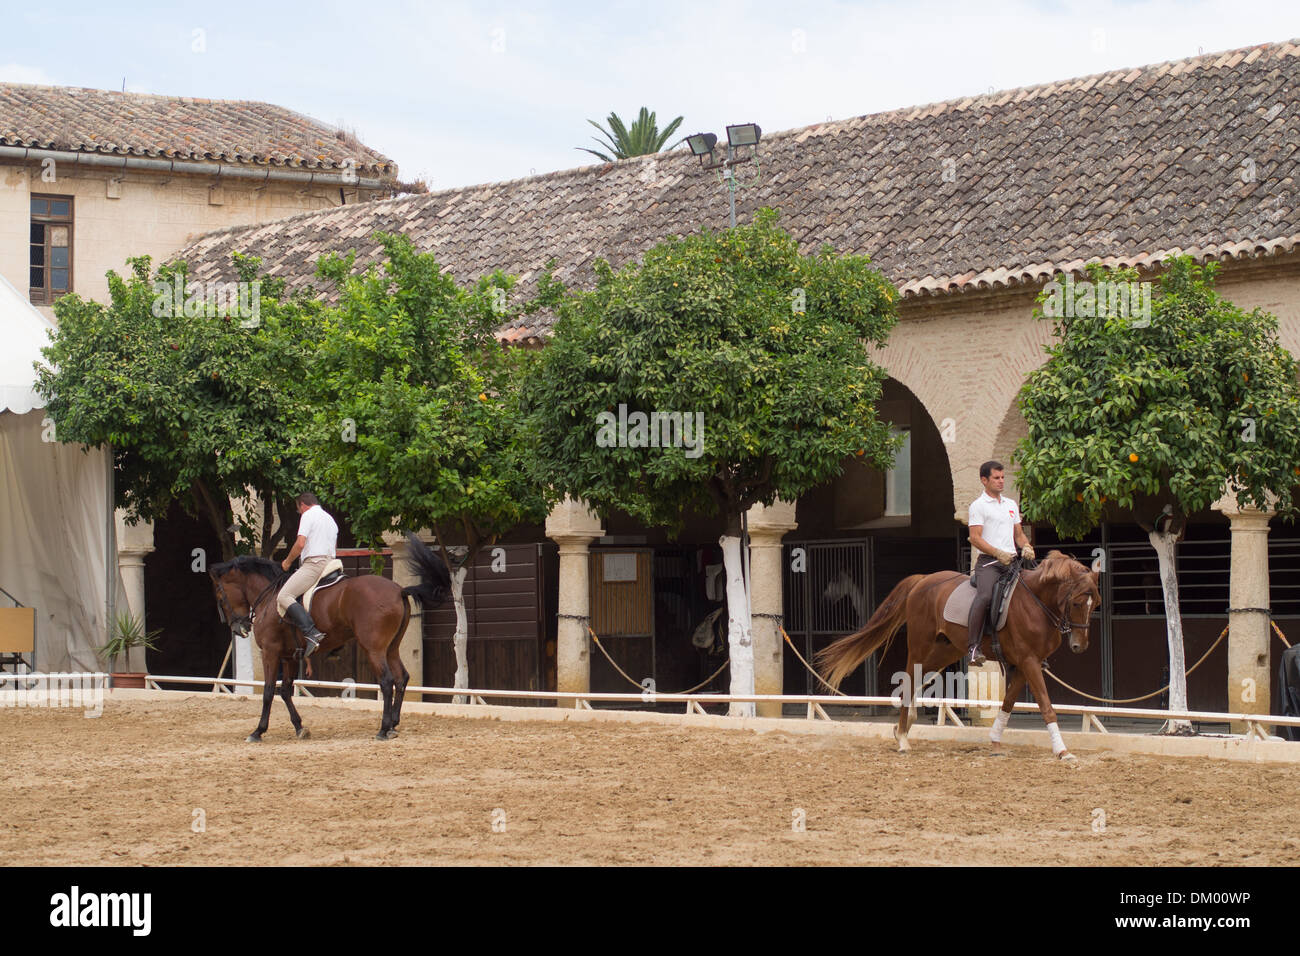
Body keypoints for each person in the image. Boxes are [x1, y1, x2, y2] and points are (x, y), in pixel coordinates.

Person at [966, 461, 1035, 665]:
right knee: (985, 596)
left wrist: (1026, 546)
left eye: (1003, 477)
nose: (1001, 481)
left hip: (1012, 562)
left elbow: (1019, 534)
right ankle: (973, 647)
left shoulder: (1011, 505)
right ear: (984, 480)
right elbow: (975, 538)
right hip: (990, 563)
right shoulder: (978, 506)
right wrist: (997, 553)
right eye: (996, 478)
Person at [276, 492, 338, 656]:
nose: (300, 513)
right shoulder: (330, 519)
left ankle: (311, 632)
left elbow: (300, 543)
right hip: (331, 564)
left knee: (284, 596)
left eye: (299, 510)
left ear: (302, 505)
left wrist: (287, 562)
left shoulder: (308, 515)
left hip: (314, 564)